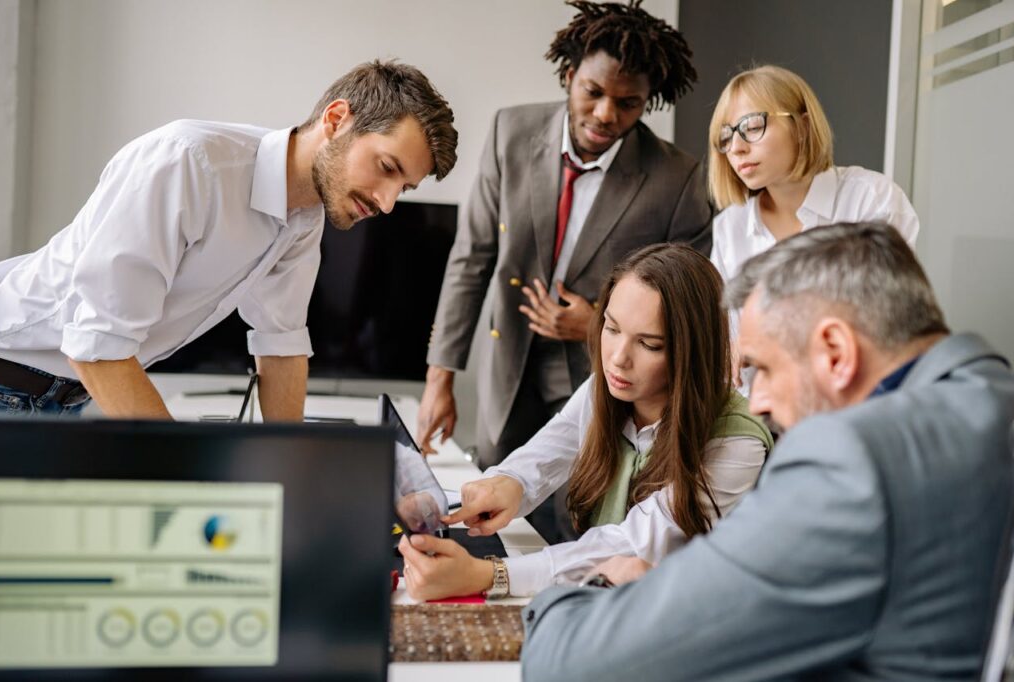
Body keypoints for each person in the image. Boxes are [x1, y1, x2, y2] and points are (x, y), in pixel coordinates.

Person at [519, 222, 1014, 682]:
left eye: (764, 369)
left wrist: (573, 595)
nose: (759, 402)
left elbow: (584, 663)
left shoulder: (851, 461)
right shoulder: (989, 396)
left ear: (836, 353)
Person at [0, 60, 457, 418]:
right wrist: (191, 483)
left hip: (69, 396)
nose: (389, 203)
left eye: (404, 188)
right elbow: (98, 347)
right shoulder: (188, 163)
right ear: (337, 120)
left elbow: (282, 348)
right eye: (387, 168)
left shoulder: (305, 215)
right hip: (3, 377)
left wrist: (286, 482)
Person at [418, 1, 712, 480]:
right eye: (592, 92)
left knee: (577, 517)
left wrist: (597, 324)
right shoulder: (509, 133)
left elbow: (689, 306)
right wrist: (439, 378)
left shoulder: (678, 179)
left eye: (627, 103)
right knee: (496, 500)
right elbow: (471, 259)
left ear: (648, 101)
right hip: (509, 361)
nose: (604, 114)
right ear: (569, 74)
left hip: (603, 376)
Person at [398, 244, 772, 600]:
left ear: (692, 351)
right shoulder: (609, 387)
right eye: (611, 328)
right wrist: (505, 483)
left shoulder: (737, 442)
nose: (618, 358)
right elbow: (547, 451)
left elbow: (630, 542)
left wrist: (490, 575)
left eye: (649, 344)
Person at [709, 65, 919, 284]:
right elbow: (723, 318)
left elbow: (888, 311)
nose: (735, 148)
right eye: (725, 137)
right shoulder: (729, 227)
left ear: (802, 127)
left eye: (752, 127)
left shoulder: (873, 200)